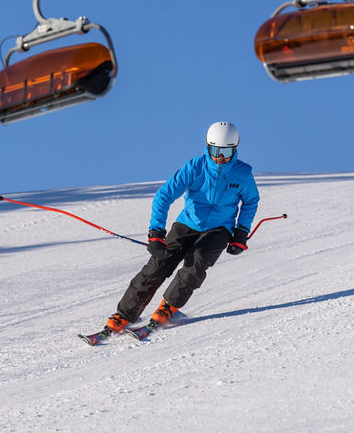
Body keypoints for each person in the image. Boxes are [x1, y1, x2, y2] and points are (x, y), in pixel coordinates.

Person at [104, 121, 260, 333]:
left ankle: (168, 307)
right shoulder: (195, 167)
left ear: (235, 148)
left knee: (196, 262)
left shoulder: (242, 174)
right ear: (207, 147)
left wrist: (241, 232)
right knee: (158, 265)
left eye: (226, 151)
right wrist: (156, 232)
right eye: (215, 150)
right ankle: (124, 314)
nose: (220, 156)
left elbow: (250, 201)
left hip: (219, 228)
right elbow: (164, 195)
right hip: (187, 223)